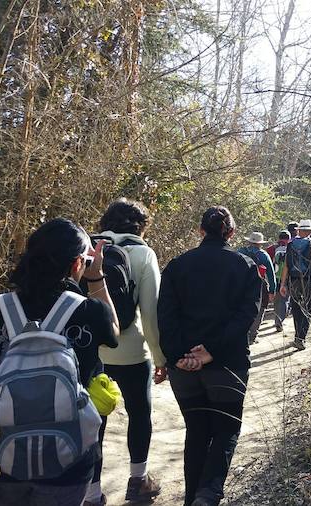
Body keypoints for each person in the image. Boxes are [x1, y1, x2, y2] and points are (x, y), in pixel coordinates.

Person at [0, 218, 119, 506]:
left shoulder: (1, 308)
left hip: (6, 455)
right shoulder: (90, 311)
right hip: (70, 458)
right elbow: (114, 332)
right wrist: (97, 277)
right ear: (78, 264)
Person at [158, 206, 261, 506]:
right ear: (231, 232)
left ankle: (193, 499)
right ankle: (209, 492)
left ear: (201, 231)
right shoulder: (245, 266)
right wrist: (212, 351)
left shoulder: (177, 266)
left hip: (184, 368)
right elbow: (247, 316)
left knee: (197, 431)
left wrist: (178, 356)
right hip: (227, 364)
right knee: (227, 427)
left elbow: (165, 316)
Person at [87, 199, 165, 505]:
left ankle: (92, 493)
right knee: (139, 413)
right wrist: (160, 358)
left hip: (92, 353)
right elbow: (151, 312)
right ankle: (138, 481)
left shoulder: (88, 248)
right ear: (141, 226)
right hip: (132, 351)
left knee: (93, 422)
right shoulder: (143, 253)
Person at [279, 219, 311, 351]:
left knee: (296, 309)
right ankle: (301, 338)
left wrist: (283, 284)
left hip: (293, 280)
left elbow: (286, 266)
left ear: (299, 231)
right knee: (308, 309)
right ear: (310, 231)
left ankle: (297, 336)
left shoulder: (291, 244)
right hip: (309, 280)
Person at [238, 232, 277, 343]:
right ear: (260, 244)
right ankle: (253, 335)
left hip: (242, 285)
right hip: (260, 285)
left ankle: (243, 333)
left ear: (249, 242)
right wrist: (272, 290)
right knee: (260, 309)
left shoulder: (240, 252)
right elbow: (271, 274)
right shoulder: (264, 255)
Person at [266, 230, 291, 331]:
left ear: (278, 238)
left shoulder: (271, 249)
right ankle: (280, 320)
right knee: (285, 299)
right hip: (287, 277)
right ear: (288, 238)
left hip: (274, 277)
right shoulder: (291, 247)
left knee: (277, 300)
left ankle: (278, 319)